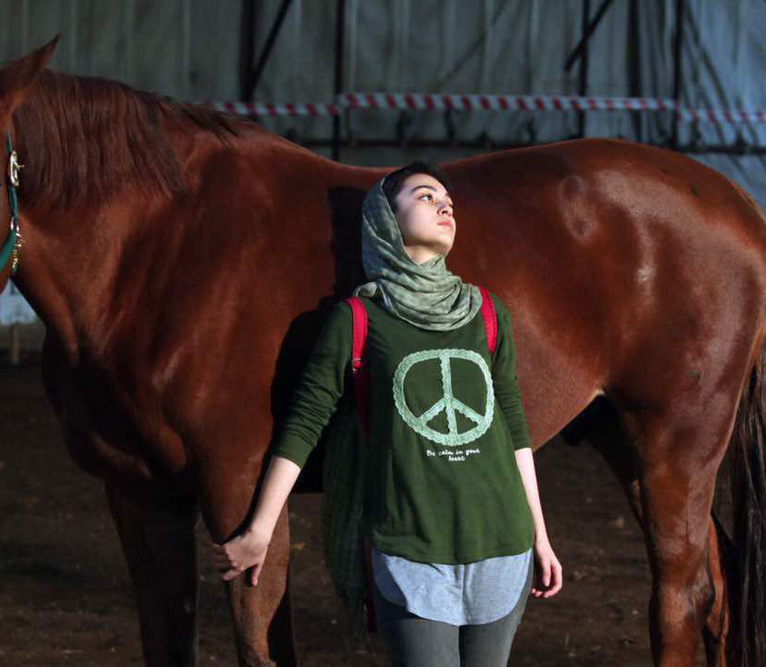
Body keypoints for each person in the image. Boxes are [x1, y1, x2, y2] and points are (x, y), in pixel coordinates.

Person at [213, 161, 563, 666]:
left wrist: (540, 535)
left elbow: (511, 424)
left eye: (448, 201)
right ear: (384, 220)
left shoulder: (486, 312)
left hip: (503, 544)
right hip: (410, 550)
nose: (444, 205)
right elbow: (305, 423)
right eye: (425, 196)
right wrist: (260, 530)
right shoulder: (357, 319)